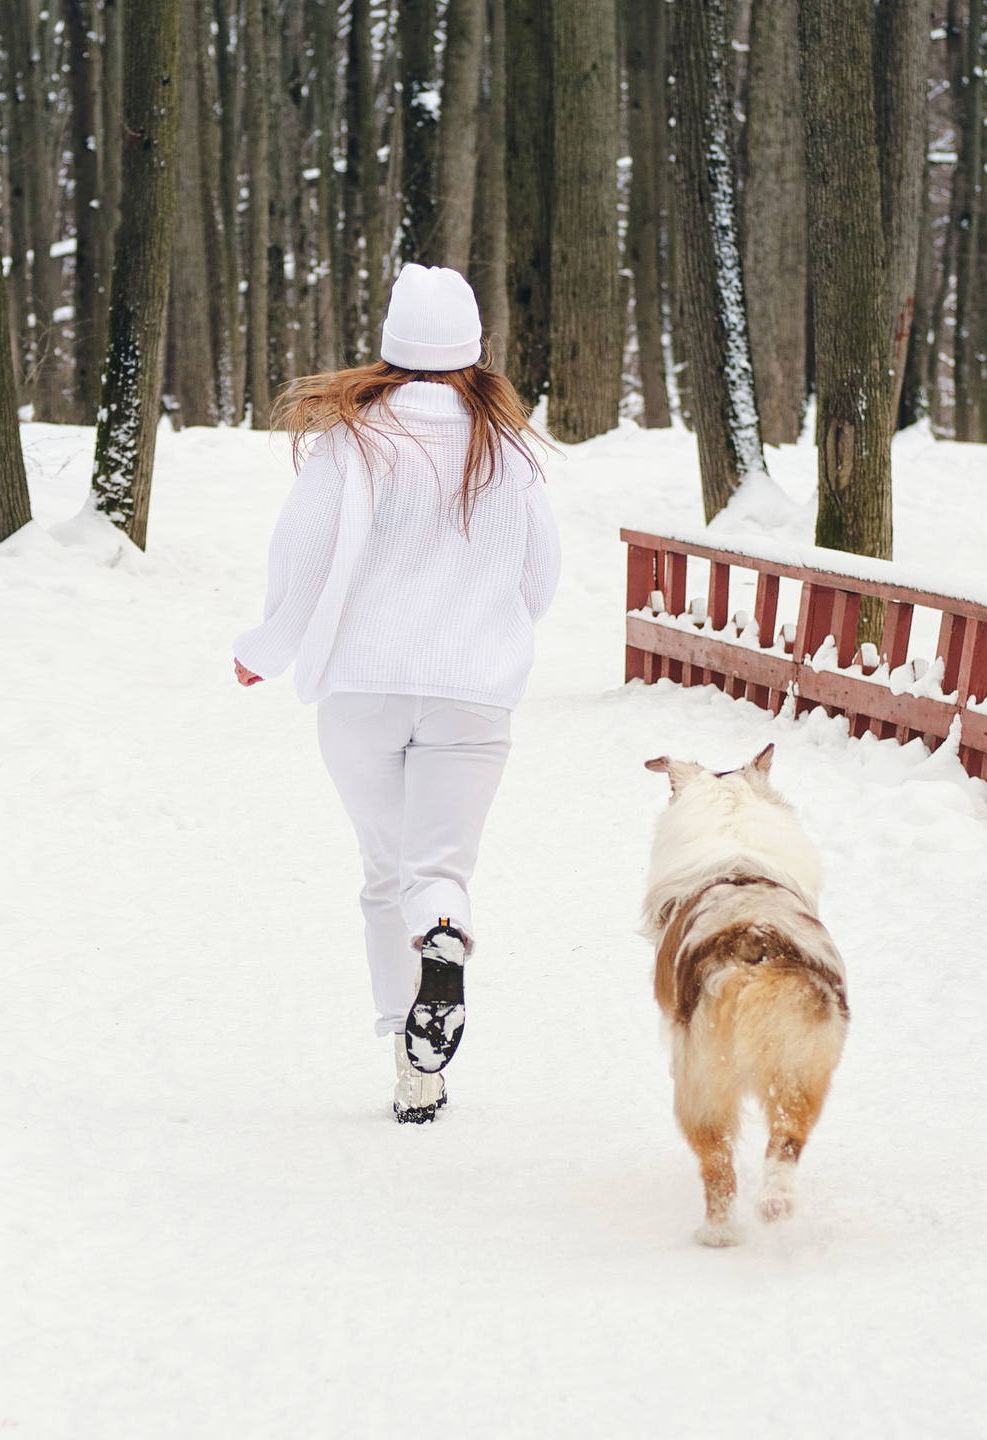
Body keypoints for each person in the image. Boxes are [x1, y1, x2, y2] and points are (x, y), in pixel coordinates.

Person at [231, 264, 562, 1124]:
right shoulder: (509, 450)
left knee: (386, 873)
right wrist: (488, 630)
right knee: (437, 871)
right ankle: (444, 931)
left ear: (390, 346)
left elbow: (301, 555)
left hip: (362, 690)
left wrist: (268, 648)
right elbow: (539, 577)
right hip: (473, 694)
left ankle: (413, 1070)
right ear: (472, 349)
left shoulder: (352, 440)